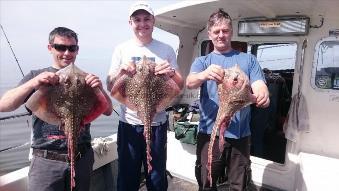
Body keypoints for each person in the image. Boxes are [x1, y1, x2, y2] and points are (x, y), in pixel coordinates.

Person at [0, 27, 113, 191]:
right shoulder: (36, 76)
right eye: (60, 47)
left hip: (82, 159)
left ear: (77, 50)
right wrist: (34, 84)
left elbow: (108, 110)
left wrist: (99, 89)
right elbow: (4, 105)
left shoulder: (86, 78)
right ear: (50, 48)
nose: (67, 53)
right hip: (46, 162)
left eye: (72, 48)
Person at [186, 9, 270, 191]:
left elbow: (258, 85)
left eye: (225, 31)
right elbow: (190, 82)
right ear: (209, 34)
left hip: (240, 135)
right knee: (207, 182)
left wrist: (262, 94)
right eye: (216, 32)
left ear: (231, 32)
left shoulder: (249, 60)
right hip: (210, 133)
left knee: (238, 185)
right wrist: (204, 75)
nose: (221, 35)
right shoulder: (203, 61)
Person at [106, 1, 184, 191]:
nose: (142, 23)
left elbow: (179, 85)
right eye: (137, 19)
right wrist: (120, 72)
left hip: (157, 124)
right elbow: (110, 86)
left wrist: (171, 73)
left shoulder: (165, 49)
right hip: (129, 124)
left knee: (157, 176)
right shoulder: (121, 49)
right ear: (130, 23)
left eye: (146, 19)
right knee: (127, 174)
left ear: (153, 21)